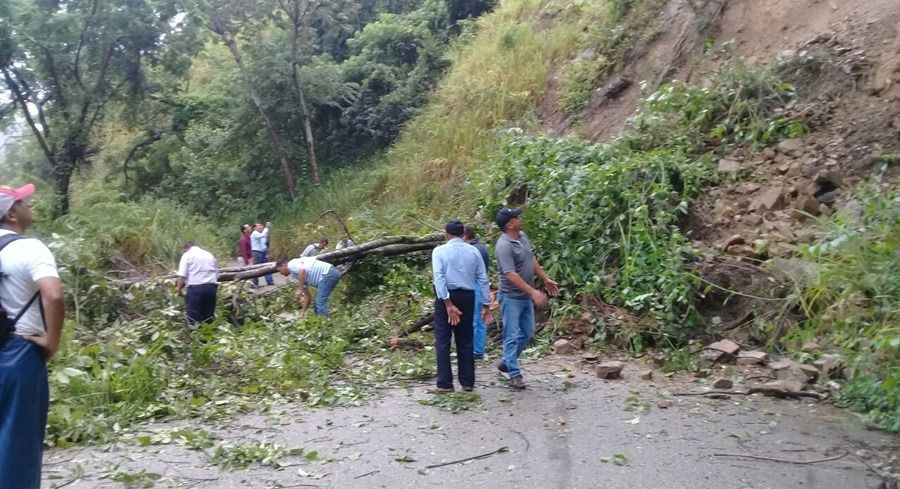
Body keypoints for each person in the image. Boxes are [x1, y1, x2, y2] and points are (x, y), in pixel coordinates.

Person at [0, 183, 65, 488]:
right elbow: (53, 296)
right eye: (23, 201)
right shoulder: (29, 247)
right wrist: (51, 342)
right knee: (18, 442)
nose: (29, 204)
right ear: (11, 214)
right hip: (18, 352)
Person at [494, 207, 559, 390]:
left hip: (524, 297)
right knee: (512, 335)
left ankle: (507, 361)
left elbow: (531, 259)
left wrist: (545, 279)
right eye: (517, 217)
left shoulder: (522, 237)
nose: (520, 219)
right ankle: (514, 375)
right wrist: (533, 292)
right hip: (511, 297)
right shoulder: (503, 246)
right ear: (510, 224)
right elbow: (510, 274)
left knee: (528, 332)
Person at [431, 220, 491, 393]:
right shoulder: (473, 251)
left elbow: (439, 277)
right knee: (465, 339)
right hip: (467, 296)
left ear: (446, 233)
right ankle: (467, 381)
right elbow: (482, 278)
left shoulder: (439, 251)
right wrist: (486, 304)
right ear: (463, 233)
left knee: (443, 339)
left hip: (447, 296)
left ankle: (445, 383)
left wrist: (447, 303)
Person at [275, 256, 341, 316]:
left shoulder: (291, 265)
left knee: (320, 302)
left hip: (328, 274)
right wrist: (303, 312)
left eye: (280, 271)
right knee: (317, 305)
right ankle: (319, 322)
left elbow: (302, 270)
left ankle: (325, 326)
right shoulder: (296, 275)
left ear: (283, 265)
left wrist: (299, 289)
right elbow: (308, 297)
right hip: (328, 275)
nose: (281, 274)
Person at [463, 225, 491, 360]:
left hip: (474, 286)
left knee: (472, 319)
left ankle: (471, 350)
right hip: (482, 286)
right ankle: (478, 349)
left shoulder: (472, 250)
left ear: (465, 235)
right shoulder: (482, 248)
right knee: (481, 319)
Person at [175, 242, 219, 324]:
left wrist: (178, 290)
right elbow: (216, 274)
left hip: (196, 289)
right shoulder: (209, 254)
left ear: (185, 249)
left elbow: (182, 276)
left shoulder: (187, 255)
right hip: (211, 288)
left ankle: (195, 335)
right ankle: (210, 334)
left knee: (193, 317)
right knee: (208, 316)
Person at [251, 221, 274, 287]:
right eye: (258, 225)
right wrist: (266, 228)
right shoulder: (255, 233)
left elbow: (266, 241)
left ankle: (269, 281)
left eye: (261, 225)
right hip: (256, 252)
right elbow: (262, 235)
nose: (260, 227)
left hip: (262, 251)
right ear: (255, 228)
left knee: (266, 267)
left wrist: (266, 250)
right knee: (256, 268)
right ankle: (255, 283)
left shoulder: (259, 234)